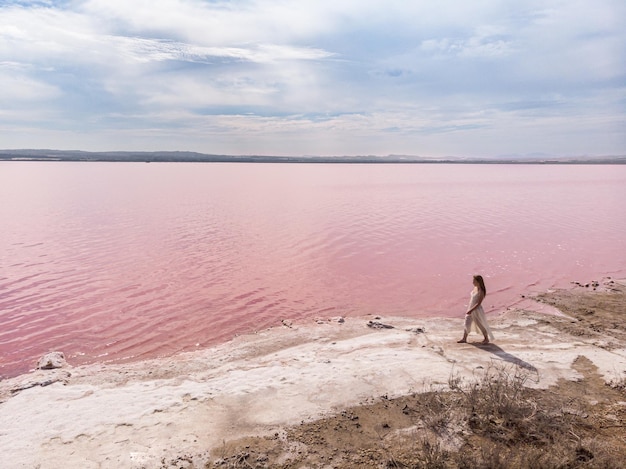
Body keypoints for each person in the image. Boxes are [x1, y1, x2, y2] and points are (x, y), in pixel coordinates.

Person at [457, 275, 495, 345]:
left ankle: (486, 338)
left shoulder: (481, 291)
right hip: (470, 308)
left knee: (480, 324)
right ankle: (464, 338)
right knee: (467, 323)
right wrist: (469, 308)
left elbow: (478, 303)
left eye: (474, 281)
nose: (473, 282)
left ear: (478, 281)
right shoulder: (475, 288)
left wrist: (471, 310)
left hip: (476, 310)